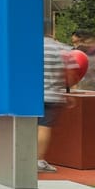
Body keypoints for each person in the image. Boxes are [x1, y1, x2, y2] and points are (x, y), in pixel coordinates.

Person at [39, 24, 67, 174]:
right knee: (44, 127)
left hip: (30, 94)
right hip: (50, 93)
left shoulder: (29, 46)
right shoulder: (59, 48)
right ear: (52, 31)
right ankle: (38, 160)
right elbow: (72, 68)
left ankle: (22, 158)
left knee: (27, 126)